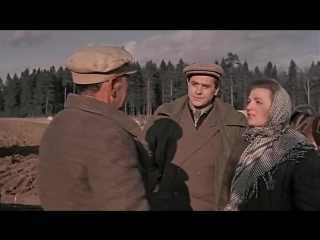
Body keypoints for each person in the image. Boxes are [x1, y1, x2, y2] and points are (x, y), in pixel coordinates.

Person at [38, 46, 149, 211]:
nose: (128, 89)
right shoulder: (109, 135)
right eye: (126, 81)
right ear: (113, 85)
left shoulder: (59, 122)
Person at [139, 62, 247, 211]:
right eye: (194, 84)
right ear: (187, 84)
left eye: (206, 86)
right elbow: (143, 153)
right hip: (167, 203)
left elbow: (246, 167)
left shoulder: (235, 122)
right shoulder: (166, 115)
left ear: (216, 90)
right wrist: (156, 184)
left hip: (211, 205)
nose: (198, 91)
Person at [219, 78, 320, 211]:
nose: (249, 107)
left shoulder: (299, 151)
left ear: (276, 108)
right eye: (249, 101)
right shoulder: (243, 143)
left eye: (258, 102)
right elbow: (225, 193)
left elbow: (310, 203)